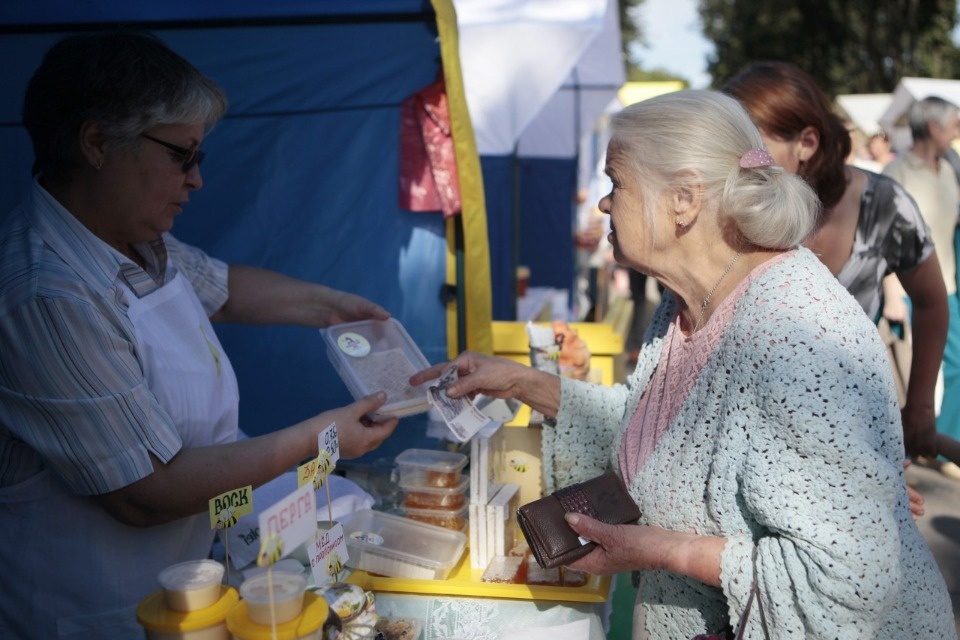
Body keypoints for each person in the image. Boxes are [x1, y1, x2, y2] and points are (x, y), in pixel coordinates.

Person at [411, 90, 955, 639]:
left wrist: (663, 549)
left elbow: (850, 583)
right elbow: (665, 429)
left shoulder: (794, 338)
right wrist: (523, 381)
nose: (604, 203)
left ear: (684, 200)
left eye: (616, 182)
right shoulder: (685, 305)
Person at [0, 31, 400, 639]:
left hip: (189, 581)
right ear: (96, 144)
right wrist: (322, 439)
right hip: (91, 607)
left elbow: (222, 286)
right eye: (182, 156)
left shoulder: (132, 238)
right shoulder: (47, 295)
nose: (196, 181)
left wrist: (333, 308)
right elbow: (144, 493)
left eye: (200, 158)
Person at [721, 61, 949, 461]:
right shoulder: (730, 205)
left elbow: (931, 301)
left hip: (845, 438)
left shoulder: (883, 205)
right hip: (738, 430)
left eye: (750, 144)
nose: (735, 161)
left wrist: (920, 407)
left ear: (807, 142)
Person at [882, 96, 960, 472]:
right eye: (954, 125)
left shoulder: (949, 170)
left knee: (956, 366)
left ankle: (938, 445)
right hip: (910, 292)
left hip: (946, 289)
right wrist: (893, 293)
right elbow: (885, 238)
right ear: (933, 127)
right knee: (912, 374)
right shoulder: (897, 172)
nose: (957, 133)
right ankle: (902, 456)